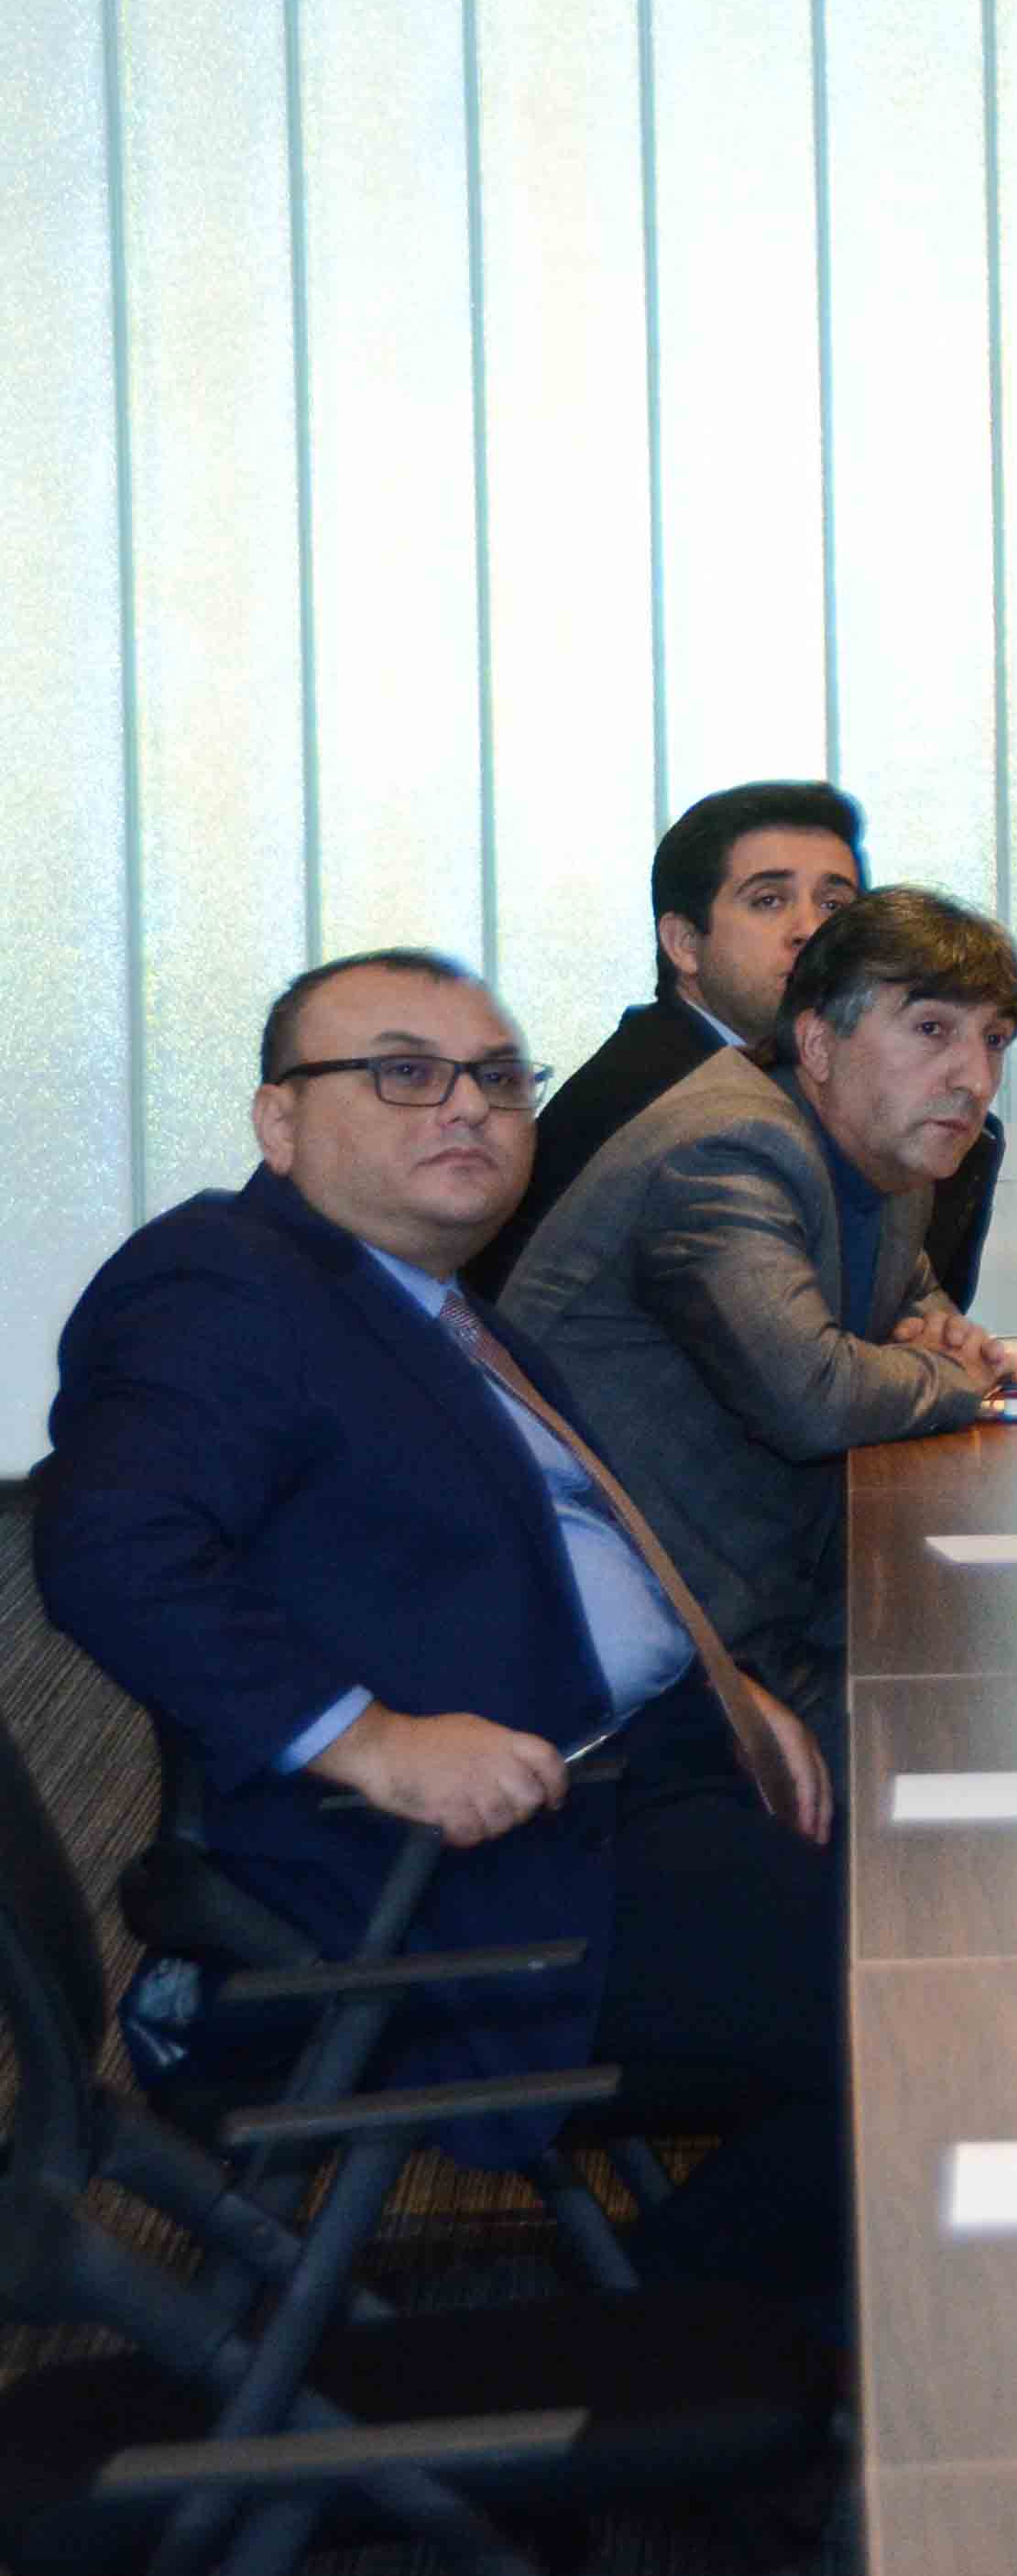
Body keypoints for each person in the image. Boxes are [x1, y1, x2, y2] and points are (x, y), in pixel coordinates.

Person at [35, 950, 846, 2304]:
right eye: (404, 1073)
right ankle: (643, 2354)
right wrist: (369, 1739)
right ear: (279, 1121)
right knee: (935, 2008)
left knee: (971, 1916)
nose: (467, 1105)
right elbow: (107, 1548)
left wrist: (719, 1680)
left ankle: (713, 2333)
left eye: (499, 1078)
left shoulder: (415, 1295)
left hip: (639, 1777)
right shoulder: (222, 1281)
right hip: (468, 1877)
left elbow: (564, 1546)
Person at [500, 888, 1017, 1729]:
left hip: (779, 1588)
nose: (974, 1078)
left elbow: (909, 1295)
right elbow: (813, 1396)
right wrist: (957, 1376)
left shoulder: (885, 1145)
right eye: (933, 1029)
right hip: (657, 1645)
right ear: (819, 1042)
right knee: (993, 1712)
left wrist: (941, 1334)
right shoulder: (726, 1148)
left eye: (994, 1039)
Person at [470, 778, 1003, 1313]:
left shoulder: (836, 1094)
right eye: (769, 901)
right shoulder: (661, 1102)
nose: (811, 930)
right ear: (684, 944)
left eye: (835, 904)